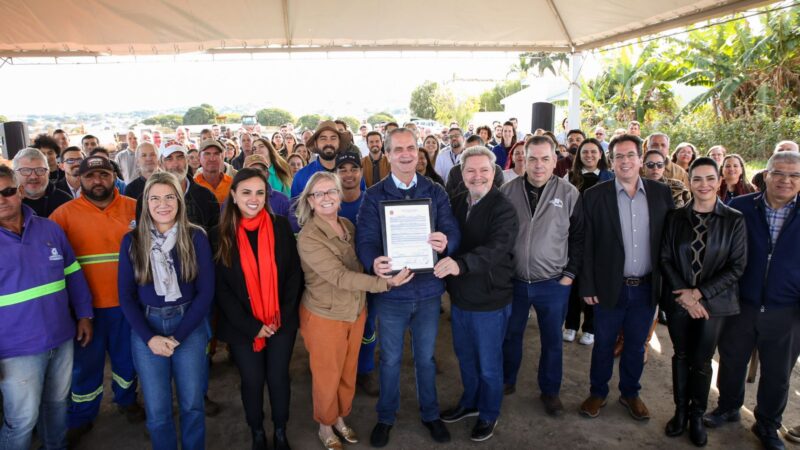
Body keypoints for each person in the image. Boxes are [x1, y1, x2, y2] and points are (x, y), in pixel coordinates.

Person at [356, 128, 460, 447]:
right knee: (388, 359)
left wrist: (447, 242)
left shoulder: (435, 191)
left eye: (411, 148)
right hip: (392, 294)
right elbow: (366, 239)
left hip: (428, 293)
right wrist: (374, 262)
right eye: (398, 149)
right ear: (387, 154)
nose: (405, 154)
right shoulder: (374, 195)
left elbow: (452, 231)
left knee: (425, 359)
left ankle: (430, 415)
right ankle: (386, 416)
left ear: (419, 153)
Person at [296, 171, 413, 450]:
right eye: (319, 194)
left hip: (355, 311)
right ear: (310, 201)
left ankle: (339, 417)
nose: (326, 198)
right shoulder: (309, 237)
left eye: (331, 192)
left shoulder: (347, 223)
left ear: (340, 195)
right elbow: (340, 277)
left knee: (348, 372)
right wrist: (384, 283)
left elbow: (364, 257)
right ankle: (326, 425)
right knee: (327, 376)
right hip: (325, 316)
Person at [705, 152, 800, 450]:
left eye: (794, 175)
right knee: (731, 359)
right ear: (766, 175)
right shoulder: (741, 206)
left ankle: (768, 424)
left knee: (777, 372)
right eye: (779, 173)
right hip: (741, 303)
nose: (786, 180)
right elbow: (720, 252)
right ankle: (729, 407)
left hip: (786, 309)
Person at [49, 155, 144, 446]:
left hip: (128, 306)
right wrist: (76, 311)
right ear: (79, 178)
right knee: (85, 367)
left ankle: (126, 400)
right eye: (90, 176)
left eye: (103, 174)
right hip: (86, 311)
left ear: (113, 176)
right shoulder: (62, 215)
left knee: (126, 360)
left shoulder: (135, 208)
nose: (97, 181)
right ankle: (82, 415)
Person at [579, 134, 674, 421]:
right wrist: (587, 284)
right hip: (609, 287)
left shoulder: (661, 194)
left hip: (646, 288)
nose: (625, 161)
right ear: (611, 160)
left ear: (640, 159)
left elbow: (669, 243)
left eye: (630, 155)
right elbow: (586, 244)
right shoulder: (594, 195)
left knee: (635, 345)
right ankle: (598, 392)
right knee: (604, 343)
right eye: (618, 156)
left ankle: (630, 393)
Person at [118, 172, 215, 450]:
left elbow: (205, 292)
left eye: (170, 197)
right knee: (158, 411)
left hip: (189, 326)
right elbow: (125, 296)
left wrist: (178, 337)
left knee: (192, 405)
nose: (163, 204)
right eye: (155, 198)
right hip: (147, 328)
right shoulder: (132, 241)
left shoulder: (195, 237)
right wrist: (150, 338)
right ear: (146, 202)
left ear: (179, 201)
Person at [0, 164, 93, 450]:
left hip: (61, 339)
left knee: (56, 406)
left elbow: (74, 273)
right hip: (15, 352)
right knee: (22, 420)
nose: (2, 199)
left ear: (20, 192)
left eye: (7, 191)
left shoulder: (49, 228)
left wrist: (85, 314)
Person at [660, 157, 746, 447]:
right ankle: (680, 412)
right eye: (697, 179)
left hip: (715, 304)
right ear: (689, 182)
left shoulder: (734, 219)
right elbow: (665, 259)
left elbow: (737, 266)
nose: (704, 184)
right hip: (678, 302)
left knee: (702, 360)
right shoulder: (675, 218)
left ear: (719, 181)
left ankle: (697, 416)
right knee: (681, 355)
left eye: (710, 178)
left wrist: (699, 294)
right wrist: (684, 294)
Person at [214, 168, 303, 450]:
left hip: (281, 321)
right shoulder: (219, 234)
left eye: (260, 193)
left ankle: (279, 430)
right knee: (252, 381)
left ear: (268, 195)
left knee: (278, 378)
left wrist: (282, 316)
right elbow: (222, 290)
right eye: (246, 192)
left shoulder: (280, 227)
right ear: (234, 196)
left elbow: (293, 276)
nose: (253, 199)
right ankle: (256, 431)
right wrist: (253, 326)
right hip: (243, 327)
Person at [435, 146, 518, 442]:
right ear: (461, 173)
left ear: (494, 172)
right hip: (461, 299)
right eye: (470, 170)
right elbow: (446, 237)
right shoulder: (456, 201)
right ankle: (470, 403)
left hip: (490, 301)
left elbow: (496, 250)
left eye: (484, 170)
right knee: (466, 358)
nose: (477, 176)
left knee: (489, 364)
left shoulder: (503, 208)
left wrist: (461, 264)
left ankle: (488, 413)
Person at [499, 135, 584, 415]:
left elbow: (579, 237)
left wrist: (569, 275)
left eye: (545, 159)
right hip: (515, 282)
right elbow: (498, 234)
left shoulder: (569, 193)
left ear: (554, 160)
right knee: (511, 335)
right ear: (523, 158)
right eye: (532, 158)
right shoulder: (507, 190)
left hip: (553, 283)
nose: (538, 165)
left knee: (552, 341)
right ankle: (507, 380)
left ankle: (550, 391)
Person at [563, 139, 614, 345]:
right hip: (575, 236)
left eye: (594, 151)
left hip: (600, 238)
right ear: (579, 155)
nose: (589, 155)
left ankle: (590, 327)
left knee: (595, 282)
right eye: (585, 152)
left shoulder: (611, 178)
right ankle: (571, 325)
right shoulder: (570, 177)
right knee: (572, 281)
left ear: (601, 155)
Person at [291, 121, 361, 198]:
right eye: (323, 138)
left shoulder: (354, 175)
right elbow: (295, 208)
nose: (328, 143)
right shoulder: (302, 176)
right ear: (315, 143)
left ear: (339, 142)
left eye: (333, 138)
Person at [13, 147, 72, 217]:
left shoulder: (65, 201)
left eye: (40, 170)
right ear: (14, 174)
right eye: (26, 170)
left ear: (48, 173)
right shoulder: (7, 204)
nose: (33, 177)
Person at [194, 139, 233, 205]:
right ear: (199, 158)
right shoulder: (193, 185)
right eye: (207, 154)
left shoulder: (232, 184)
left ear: (222, 157)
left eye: (216, 154)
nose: (212, 158)